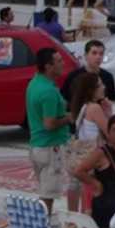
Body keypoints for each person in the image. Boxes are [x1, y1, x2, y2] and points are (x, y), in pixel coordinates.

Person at [26, 48, 72, 213]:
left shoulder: (35, 83)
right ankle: (42, 225)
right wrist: (68, 118)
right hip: (50, 147)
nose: (63, 63)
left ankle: (42, 223)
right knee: (48, 194)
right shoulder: (48, 91)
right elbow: (49, 124)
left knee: (45, 191)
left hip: (37, 146)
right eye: (59, 61)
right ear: (48, 66)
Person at [66, 72, 111, 213]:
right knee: (91, 201)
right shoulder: (95, 108)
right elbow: (111, 135)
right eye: (100, 85)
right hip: (93, 162)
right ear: (92, 90)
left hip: (79, 159)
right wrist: (109, 113)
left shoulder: (82, 107)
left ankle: (73, 223)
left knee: (78, 190)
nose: (104, 87)